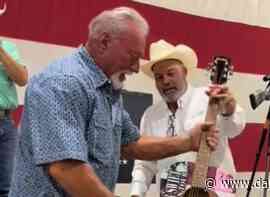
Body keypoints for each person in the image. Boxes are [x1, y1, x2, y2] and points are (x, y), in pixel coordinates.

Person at [8, 7, 220, 197]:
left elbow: (130, 143)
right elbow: (66, 168)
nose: (137, 68)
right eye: (133, 56)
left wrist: (188, 141)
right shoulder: (62, 83)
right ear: (104, 42)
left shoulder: (108, 89)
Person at [130, 40, 246, 197]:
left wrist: (229, 109)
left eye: (171, 73)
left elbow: (234, 129)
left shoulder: (210, 96)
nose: (165, 81)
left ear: (184, 72)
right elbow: (145, 162)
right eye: (159, 77)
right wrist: (136, 193)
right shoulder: (150, 115)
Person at [0, 39, 28, 197]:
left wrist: (1, 52)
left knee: (7, 187)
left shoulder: (8, 47)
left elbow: (22, 79)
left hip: (6, 124)